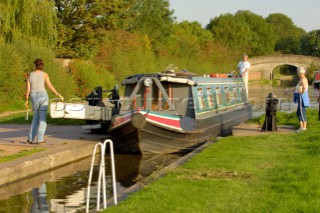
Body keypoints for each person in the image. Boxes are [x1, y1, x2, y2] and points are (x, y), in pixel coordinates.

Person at [24, 59, 64, 144]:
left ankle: (30, 139)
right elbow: (49, 85)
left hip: (33, 96)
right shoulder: (45, 74)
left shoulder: (30, 75)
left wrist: (26, 100)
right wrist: (58, 94)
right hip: (43, 96)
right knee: (42, 118)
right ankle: (40, 139)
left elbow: (28, 89)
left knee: (35, 118)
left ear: (35, 65)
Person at [284, 66, 310, 132]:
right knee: (298, 112)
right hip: (300, 97)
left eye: (298, 72)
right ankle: (301, 127)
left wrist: (302, 92)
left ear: (299, 72)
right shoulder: (301, 79)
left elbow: (304, 87)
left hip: (301, 97)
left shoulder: (303, 79)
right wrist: (287, 91)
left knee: (301, 112)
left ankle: (304, 128)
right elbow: (295, 88)